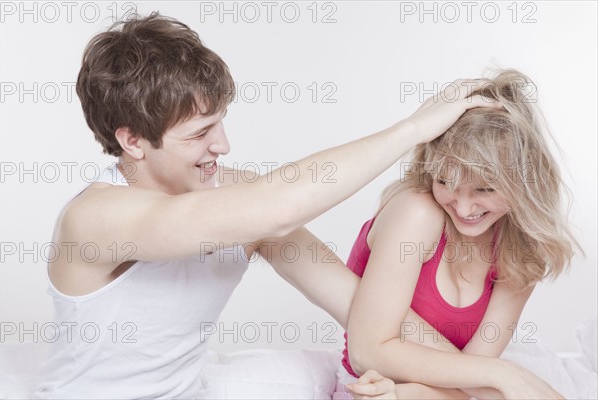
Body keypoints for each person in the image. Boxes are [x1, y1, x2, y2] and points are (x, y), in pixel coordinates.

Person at [32, 12, 502, 399]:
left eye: (220, 123)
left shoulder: (240, 205)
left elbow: (361, 308)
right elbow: (277, 207)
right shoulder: (94, 218)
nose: (224, 145)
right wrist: (412, 130)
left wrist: (484, 383)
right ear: (132, 141)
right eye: (199, 133)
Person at [333, 69, 581, 399]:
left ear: (524, 182)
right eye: (446, 183)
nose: (464, 209)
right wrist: (505, 375)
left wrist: (410, 395)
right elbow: (369, 353)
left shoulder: (521, 248)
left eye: (485, 189)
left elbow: (469, 376)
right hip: (369, 388)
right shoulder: (417, 214)